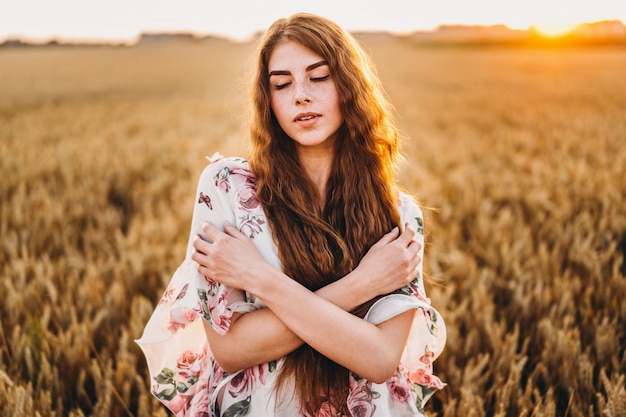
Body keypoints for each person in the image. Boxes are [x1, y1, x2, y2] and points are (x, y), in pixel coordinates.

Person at [136, 12, 446, 417]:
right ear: (269, 101)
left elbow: (379, 360)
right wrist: (363, 283)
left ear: (349, 86)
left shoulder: (398, 215)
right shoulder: (227, 186)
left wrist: (259, 278)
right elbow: (231, 349)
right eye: (282, 84)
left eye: (319, 77)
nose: (300, 95)